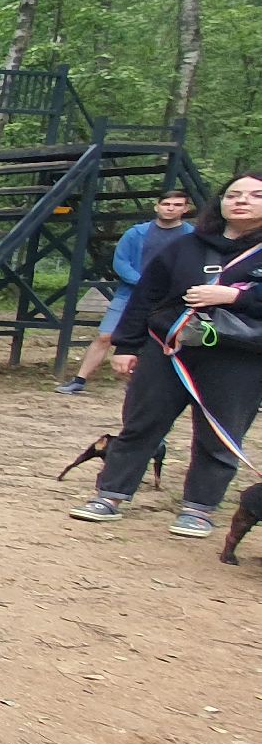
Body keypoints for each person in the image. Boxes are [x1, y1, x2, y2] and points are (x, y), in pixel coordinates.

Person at [70, 173, 262, 539]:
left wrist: (238, 297)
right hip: (170, 350)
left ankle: (199, 508)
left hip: (238, 358)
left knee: (219, 434)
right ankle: (110, 494)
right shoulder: (186, 246)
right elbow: (147, 296)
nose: (242, 201)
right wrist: (127, 346)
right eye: (233, 194)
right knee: (141, 423)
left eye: (255, 195)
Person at [57, 190, 194, 393]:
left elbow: (192, 267)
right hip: (129, 295)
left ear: (185, 208)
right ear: (157, 206)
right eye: (166, 204)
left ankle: (149, 386)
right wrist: (144, 284)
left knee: (164, 342)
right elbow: (120, 263)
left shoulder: (192, 236)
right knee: (105, 336)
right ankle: (79, 380)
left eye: (177, 205)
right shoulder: (135, 233)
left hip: (170, 299)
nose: (170, 208)